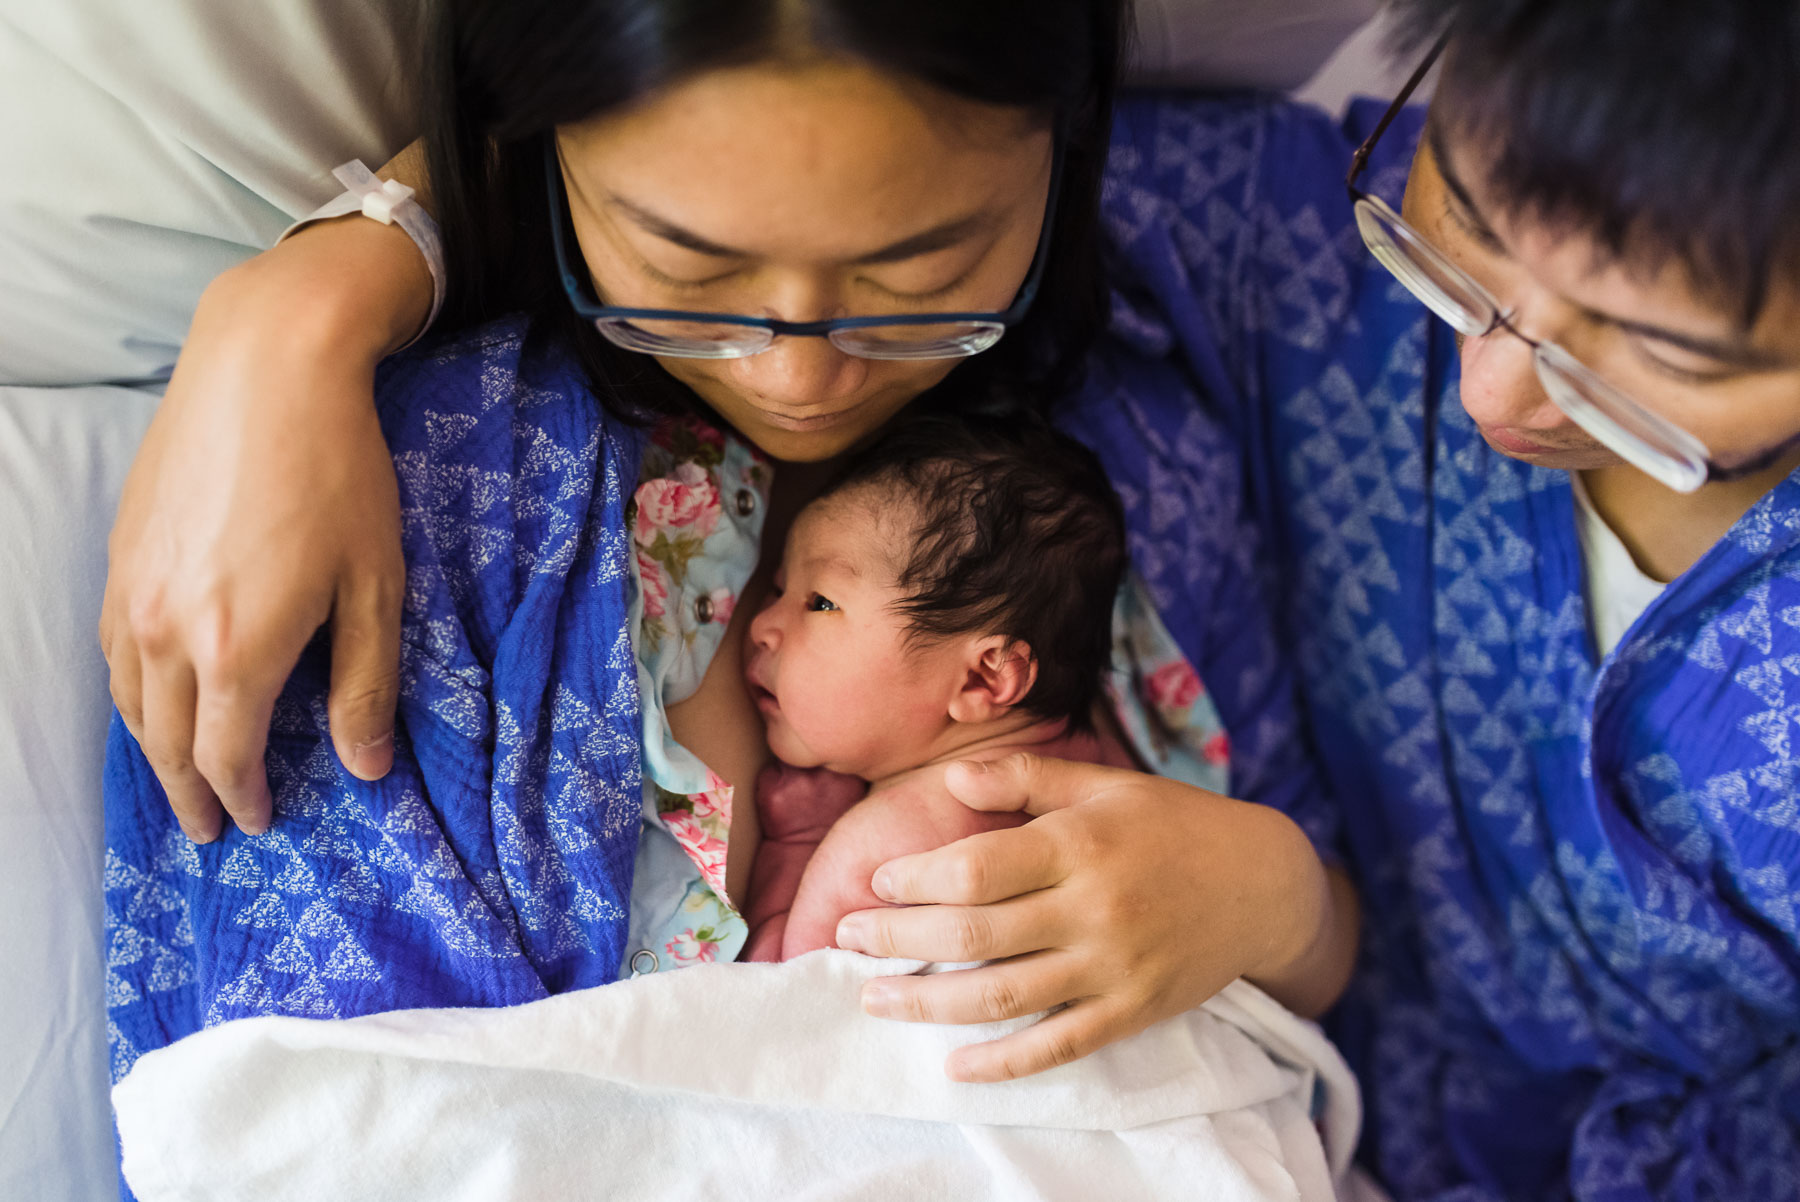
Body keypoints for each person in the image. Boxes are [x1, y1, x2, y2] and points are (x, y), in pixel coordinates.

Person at [103, 0, 1354, 1124]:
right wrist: (300, 304)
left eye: (920, 271)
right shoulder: (438, 485)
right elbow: (348, 1120)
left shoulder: (1132, 455)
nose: (798, 378)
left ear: (1068, 150)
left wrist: (1269, 886)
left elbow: (1329, 964)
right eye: (691, 269)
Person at [738, 414, 1137, 961]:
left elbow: (785, 998)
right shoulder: (1119, 777)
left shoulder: (888, 844)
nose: (761, 626)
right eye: (780, 588)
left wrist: (797, 843)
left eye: (821, 602)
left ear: (983, 678)